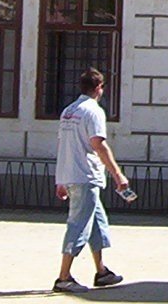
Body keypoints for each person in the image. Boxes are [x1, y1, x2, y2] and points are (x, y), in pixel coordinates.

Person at [53, 68, 129, 293]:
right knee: (78, 225)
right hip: (86, 176)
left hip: (73, 175)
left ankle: (102, 271)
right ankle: (63, 277)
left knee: (96, 223)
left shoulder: (68, 111)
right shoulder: (93, 111)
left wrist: (61, 179)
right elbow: (99, 144)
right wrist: (118, 174)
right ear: (99, 88)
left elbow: (63, 144)